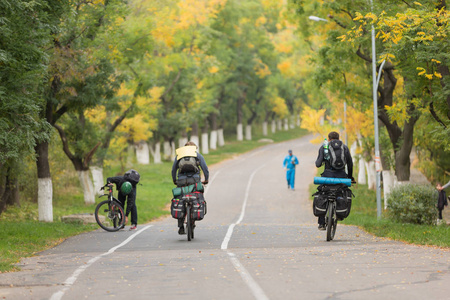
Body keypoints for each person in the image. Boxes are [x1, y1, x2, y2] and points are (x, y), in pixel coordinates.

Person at [315, 131, 354, 230]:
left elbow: (318, 164)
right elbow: (350, 164)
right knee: (341, 192)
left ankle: (321, 223)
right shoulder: (344, 148)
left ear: (328, 139)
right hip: (341, 177)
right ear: (339, 138)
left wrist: (323, 159)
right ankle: (340, 214)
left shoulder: (324, 147)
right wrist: (350, 177)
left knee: (322, 193)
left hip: (327, 177)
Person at [172, 141, 209, 234]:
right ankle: (194, 216)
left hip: (181, 181)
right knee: (197, 197)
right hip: (195, 181)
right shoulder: (198, 155)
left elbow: (173, 169)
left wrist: (175, 180)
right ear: (194, 148)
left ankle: (180, 226)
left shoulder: (179, 156)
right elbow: (205, 169)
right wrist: (206, 179)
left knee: (180, 200)